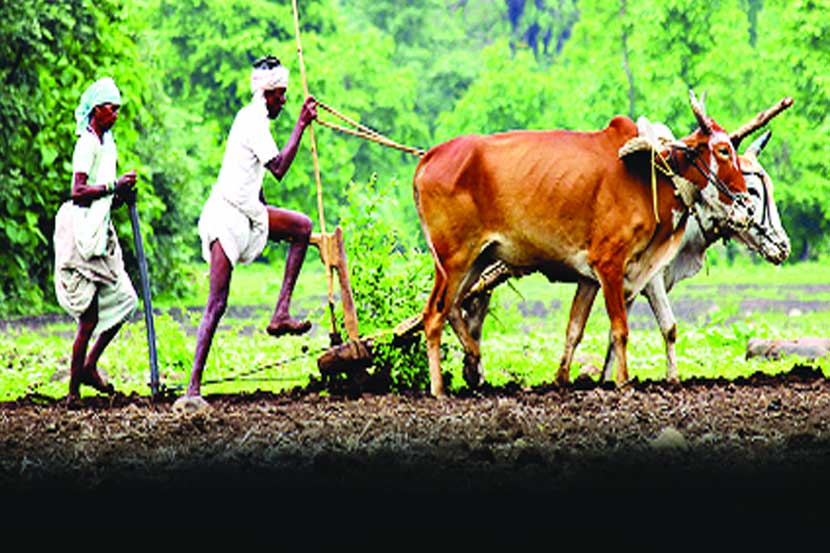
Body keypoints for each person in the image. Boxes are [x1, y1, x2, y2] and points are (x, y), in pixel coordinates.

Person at [175, 56, 317, 409]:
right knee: (217, 303)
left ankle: (280, 312)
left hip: (249, 211)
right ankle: (192, 388)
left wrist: (267, 222)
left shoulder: (256, 118)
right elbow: (280, 168)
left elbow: (256, 177)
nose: (284, 101)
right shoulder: (253, 121)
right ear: (266, 94)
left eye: (285, 96)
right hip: (226, 217)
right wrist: (301, 123)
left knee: (301, 227)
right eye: (280, 95)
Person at [53, 77, 139, 407]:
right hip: (79, 231)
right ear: (96, 110)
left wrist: (121, 195)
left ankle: (89, 366)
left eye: (118, 109)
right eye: (111, 109)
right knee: (87, 320)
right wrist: (113, 187)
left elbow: (104, 197)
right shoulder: (87, 143)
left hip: (99, 229)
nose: (116, 115)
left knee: (126, 299)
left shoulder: (107, 142)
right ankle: (73, 391)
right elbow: (78, 192)